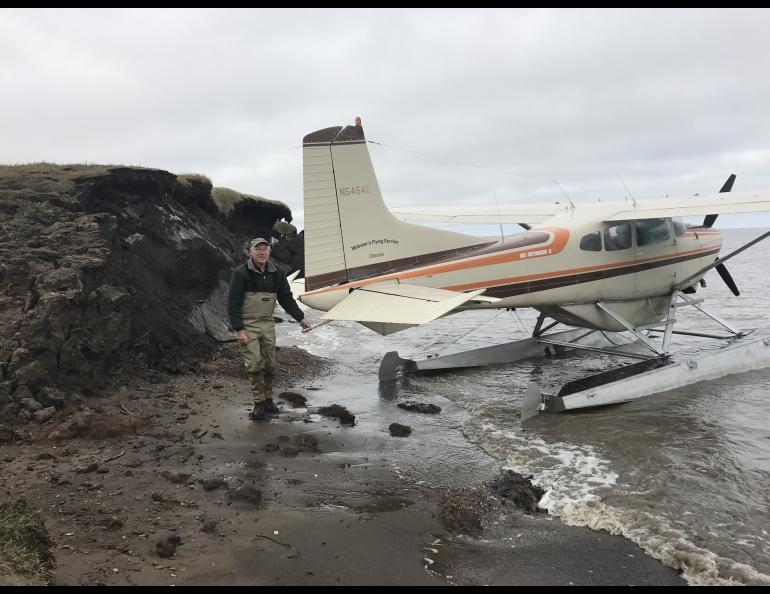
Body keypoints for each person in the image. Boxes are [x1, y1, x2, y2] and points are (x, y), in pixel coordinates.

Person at [227, 237, 311, 420]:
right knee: (254, 363)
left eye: (265, 249)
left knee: (270, 365)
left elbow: (286, 298)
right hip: (248, 324)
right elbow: (233, 304)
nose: (262, 252)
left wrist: (300, 318)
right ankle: (258, 403)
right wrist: (239, 329)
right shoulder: (241, 273)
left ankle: (268, 399)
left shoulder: (277, 273)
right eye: (258, 249)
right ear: (251, 252)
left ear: (269, 252)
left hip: (267, 323)